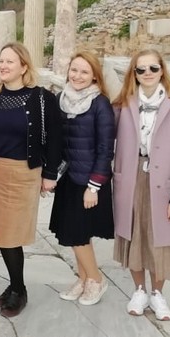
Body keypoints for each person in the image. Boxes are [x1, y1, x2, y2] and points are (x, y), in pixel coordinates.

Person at [0, 42, 62, 317]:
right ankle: (15, 286)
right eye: (1, 61)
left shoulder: (42, 98)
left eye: (10, 61)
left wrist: (50, 174)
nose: (3, 66)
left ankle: (18, 289)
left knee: (12, 233)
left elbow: (55, 138)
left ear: (24, 67)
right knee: (3, 233)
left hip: (24, 173)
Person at [112, 50, 170, 321]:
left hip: (164, 182)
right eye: (141, 69)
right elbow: (102, 134)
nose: (147, 73)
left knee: (160, 238)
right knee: (134, 233)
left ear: (162, 71)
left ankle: (158, 293)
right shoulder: (123, 105)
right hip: (132, 176)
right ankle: (139, 290)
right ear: (133, 74)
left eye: (153, 68)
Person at [48, 51, 116, 306]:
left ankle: (96, 280)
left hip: (88, 181)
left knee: (77, 235)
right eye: (74, 70)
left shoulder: (100, 104)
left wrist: (94, 186)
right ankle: (84, 278)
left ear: (95, 76)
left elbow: (105, 149)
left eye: (84, 72)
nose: (77, 76)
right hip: (67, 179)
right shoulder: (60, 99)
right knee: (72, 233)